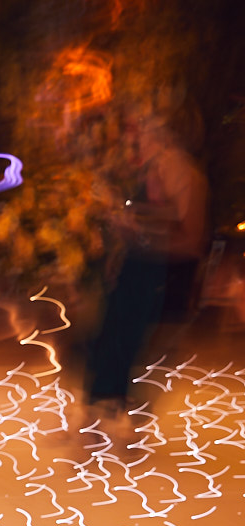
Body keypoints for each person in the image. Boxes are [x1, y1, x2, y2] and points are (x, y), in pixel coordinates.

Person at [85, 106, 208, 423]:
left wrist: (139, 234)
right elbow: (153, 219)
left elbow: (188, 237)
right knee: (113, 345)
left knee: (128, 351)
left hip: (156, 276)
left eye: (149, 125)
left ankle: (114, 421)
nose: (140, 131)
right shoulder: (152, 168)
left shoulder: (180, 170)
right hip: (137, 270)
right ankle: (103, 418)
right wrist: (123, 243)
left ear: (167, 133)